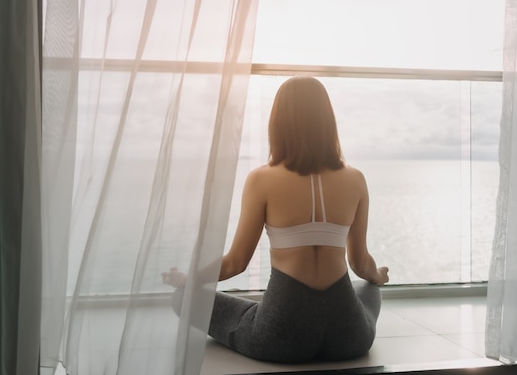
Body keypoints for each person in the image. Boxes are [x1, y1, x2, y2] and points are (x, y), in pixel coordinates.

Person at [163, 76, 389, 363]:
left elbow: (235, 263)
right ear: (327, 121)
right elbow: (360, 264)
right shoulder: (356, 180)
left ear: (278, 123)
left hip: (281, 336)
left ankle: (259, 310)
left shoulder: (262, 179)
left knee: (182, 298)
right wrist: (378, 276)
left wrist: (190, 279)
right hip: (348, 338)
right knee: (369, 289)